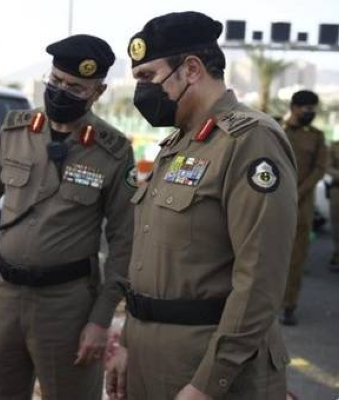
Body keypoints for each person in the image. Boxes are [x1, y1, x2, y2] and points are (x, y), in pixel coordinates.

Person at [0, 34, 135, 400]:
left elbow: (124, 242)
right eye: (56, 82)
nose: (62, 92)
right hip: (5, 293)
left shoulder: (112, 150)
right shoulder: (16, 130)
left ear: (98, 92)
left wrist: (100, 319)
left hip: (66, 303)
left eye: (76, 88)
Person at [106, 11, 297, 400]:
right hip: (150, 357)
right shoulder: (178, 144)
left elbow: (260, 278)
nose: (141, 90)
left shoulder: (249, 140)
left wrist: (209, 382)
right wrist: (128, 341)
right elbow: (148, 259)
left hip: (208, 367)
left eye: (148, 77)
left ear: (191, 69)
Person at [280, 90, 327, 325]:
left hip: (301, 206)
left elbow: (320, 168)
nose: (310, 112)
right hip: (270, 204)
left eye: (313, 108)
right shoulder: (276, 127)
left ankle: (289, 306)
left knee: (296, 259)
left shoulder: (316, 137)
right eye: (306, 108)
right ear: (294, 107)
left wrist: (297, 193)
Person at [328, 139, 339, 273]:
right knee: (336, 224)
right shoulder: (335, 146)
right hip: (337, 190)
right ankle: (337, 253)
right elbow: (327, 166)